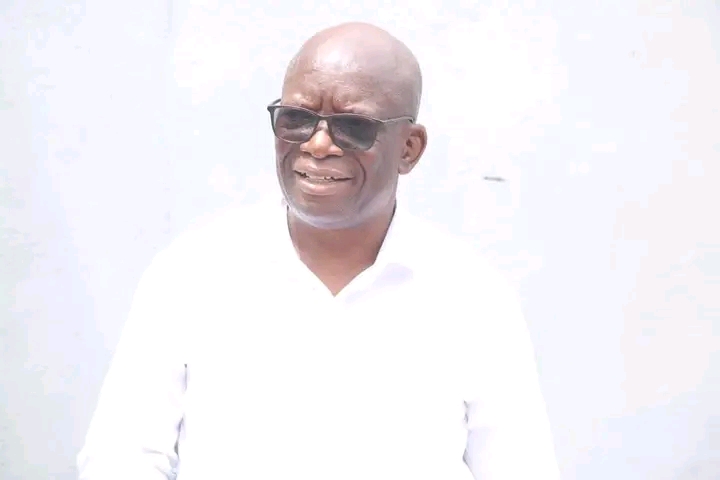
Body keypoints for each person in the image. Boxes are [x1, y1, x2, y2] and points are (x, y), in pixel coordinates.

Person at [77, 22, 560, 480]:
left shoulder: (471, 296)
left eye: (353, 126)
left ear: (409, 148)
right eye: (297, 119)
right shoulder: (192, 274)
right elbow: (122, 457)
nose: (319, 143)